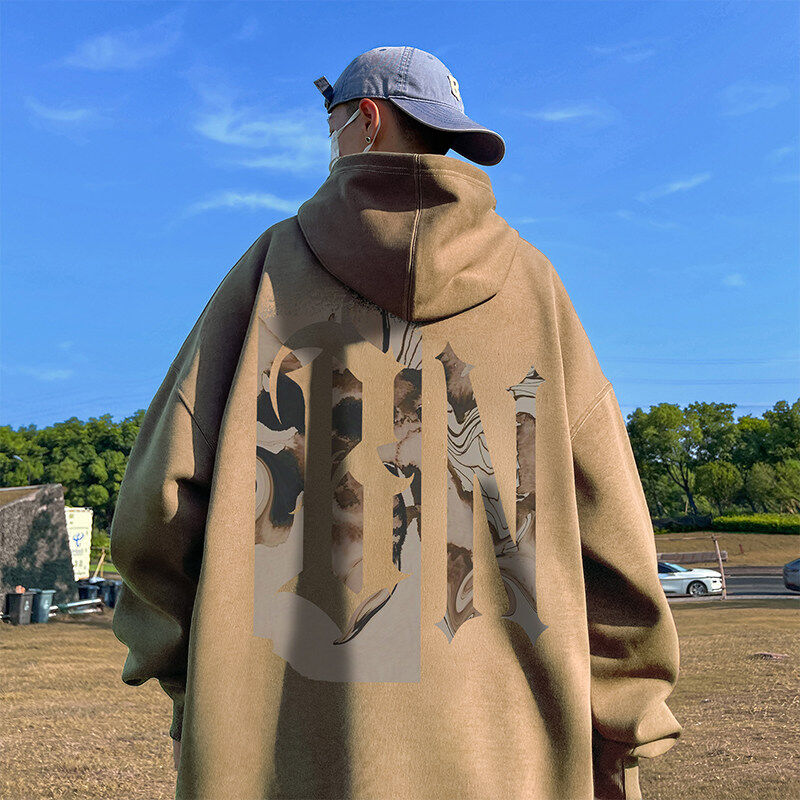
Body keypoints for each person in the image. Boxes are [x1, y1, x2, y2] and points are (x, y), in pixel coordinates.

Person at [110, 46, 682, 800]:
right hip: (508, 749)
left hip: (278, 751)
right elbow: (613, 532)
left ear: (367, 121)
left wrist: (197, 682)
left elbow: (157, 511)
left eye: (333, 125)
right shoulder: (535, 286)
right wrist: (626, 720)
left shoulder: (268, 274)